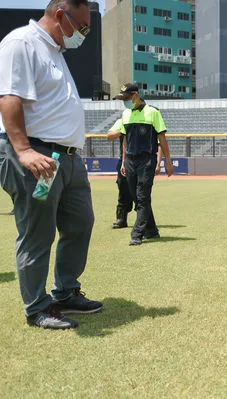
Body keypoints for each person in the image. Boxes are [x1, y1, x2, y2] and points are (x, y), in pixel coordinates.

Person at [0, 0, 102, 330]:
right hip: (37, 155)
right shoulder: (22, 43)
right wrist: (24, 150)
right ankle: (37, 307)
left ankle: (66, 291)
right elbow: (9, 97)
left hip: (67, 158)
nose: (84, 35)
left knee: (80, 222)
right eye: (82, 26)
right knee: (37, 233)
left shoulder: (55, 52)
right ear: (60, 15)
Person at [115, 83, 174, 246]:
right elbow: (125, 140)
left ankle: (137, 234)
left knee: (142, 197)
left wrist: (167, 162)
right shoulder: (125, 114)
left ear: (135, 95)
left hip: (147, 160)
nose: (124, 101)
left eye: (126, 98)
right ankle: (152, 230)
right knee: (137, 198)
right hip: (130, 161)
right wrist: (123, 161)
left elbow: (162, 139)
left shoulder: (153, 113)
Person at [107, 118, 163, 229]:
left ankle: (143, 222)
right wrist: (125, 130)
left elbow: (159, 143)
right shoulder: (122, 120)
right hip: (125, 159)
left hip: (143, 160)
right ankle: (121, 218)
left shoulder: (147, 122)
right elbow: (109, 136)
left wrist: (158, 163)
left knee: (141, 193)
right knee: (123, 188)